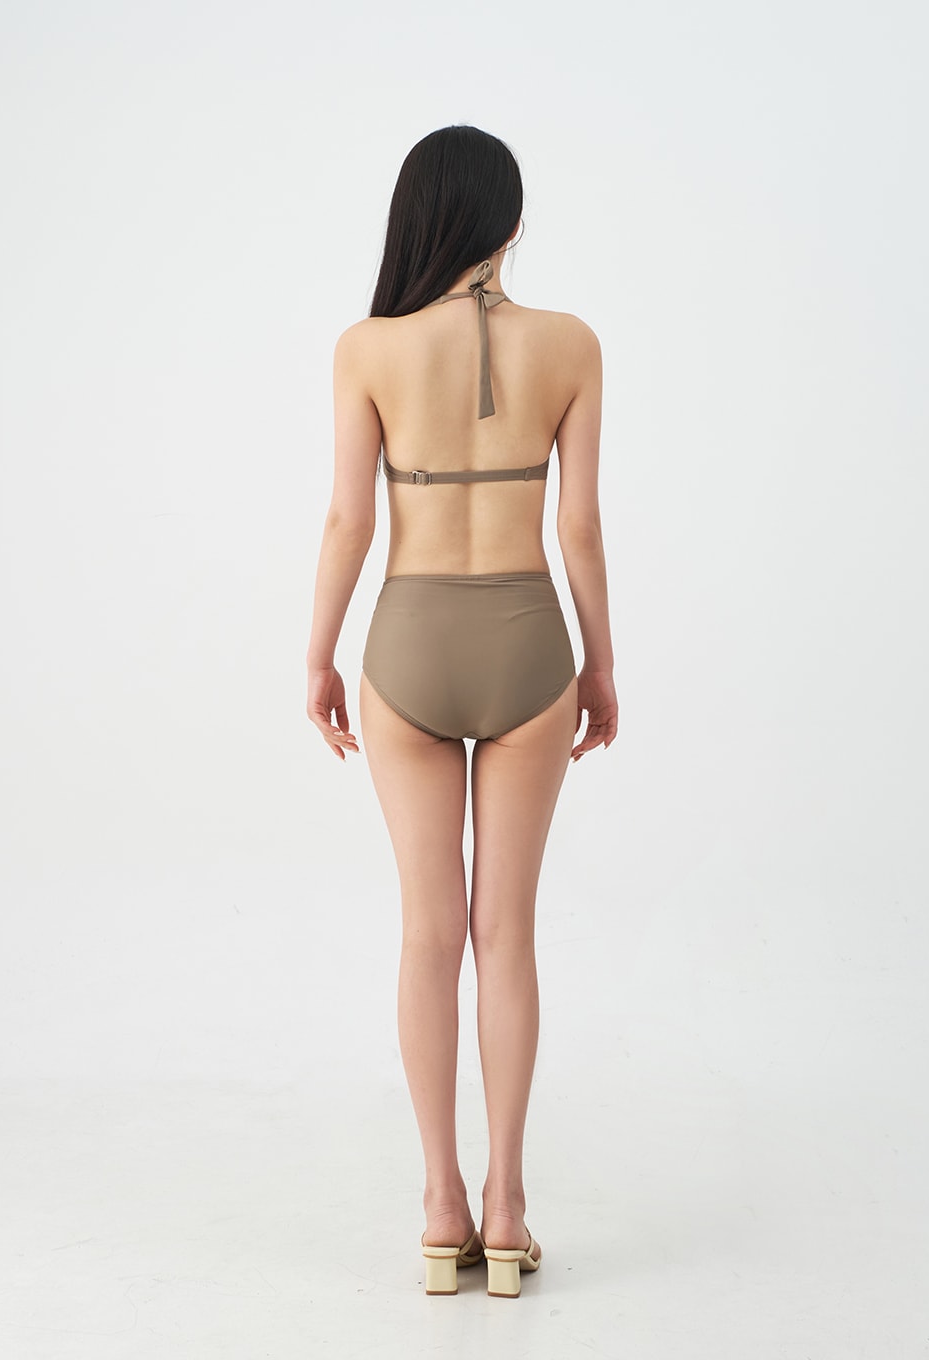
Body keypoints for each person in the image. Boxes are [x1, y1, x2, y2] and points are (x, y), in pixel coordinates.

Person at [305, 124, 617, 1299]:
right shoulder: (571, 344)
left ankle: (440, 1204)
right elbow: (577, 525)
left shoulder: (367, 348)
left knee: (428, 933)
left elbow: (349, 519)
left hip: (408, 642)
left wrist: (318, 653)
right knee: (506, 934)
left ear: (417, 218)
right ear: (511, 221)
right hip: (530, 639)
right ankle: (508, 1206)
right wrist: (598, 664)